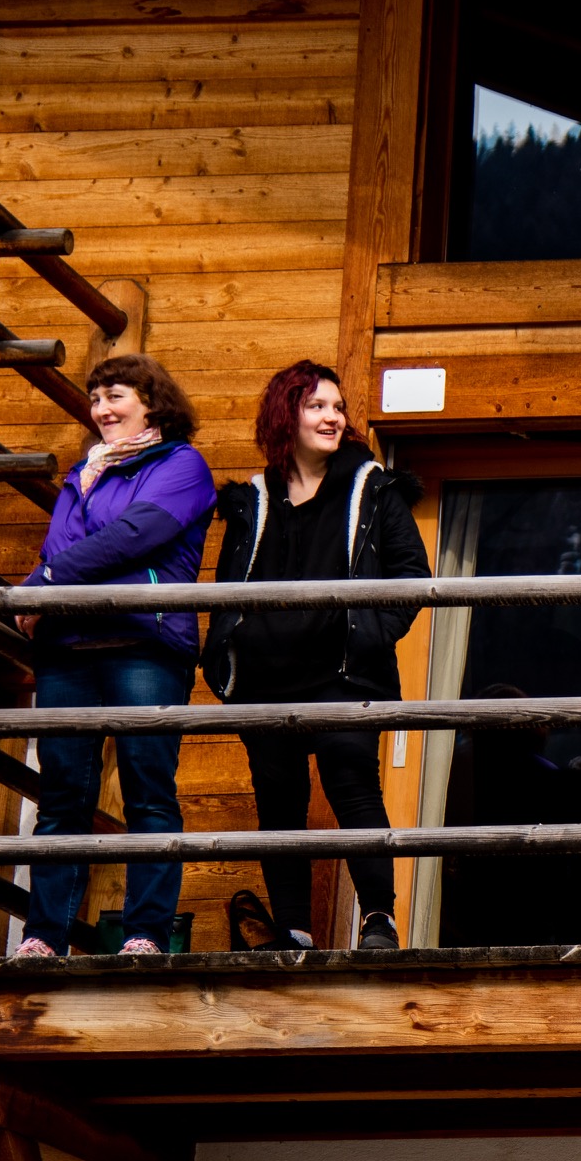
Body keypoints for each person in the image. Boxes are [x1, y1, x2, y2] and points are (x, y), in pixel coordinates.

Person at [202, 360, 431, 952]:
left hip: (345, 671)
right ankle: (294, 933)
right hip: (266, 677)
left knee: (352, 782)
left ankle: (377, 920)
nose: (333, 417)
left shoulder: (373, 488)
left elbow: (412, 573)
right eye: (317, 406)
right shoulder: (253, 500)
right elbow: (227, 588)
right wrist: (227, 654)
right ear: (287, 416)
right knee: (279, 803)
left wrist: (372, 634)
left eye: (338, 407)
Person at [15, 355, 216, 958]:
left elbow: (134, 535)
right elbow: (65, 547)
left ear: (151, 404)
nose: (102, 408)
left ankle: (145, 933)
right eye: (96, 398)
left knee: (148, 794)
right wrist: (47, 577)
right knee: (61, 800)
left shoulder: (182, 465)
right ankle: (43, 937)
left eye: (116, 395)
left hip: (143, 643)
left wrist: (47, 581)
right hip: (67, 648)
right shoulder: (83, 473)